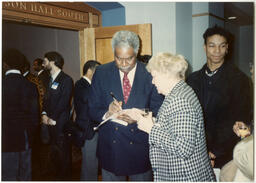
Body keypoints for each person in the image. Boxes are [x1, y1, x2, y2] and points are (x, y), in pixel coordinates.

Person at [88, 30, 164, 181]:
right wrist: (107, 113)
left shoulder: (150, 73)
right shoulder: (102, 72)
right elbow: (91, 109)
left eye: (129, 59)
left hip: (141, 149)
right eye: (118, 58)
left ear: (137, 53)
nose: (123, 64)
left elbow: (160, 110)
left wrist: (139, 117)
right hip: (111, 149)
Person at [130, 52, 216, 181]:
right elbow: (174, 125)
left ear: (166, 75)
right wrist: (148, 119)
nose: (152, 82)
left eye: (154, 77)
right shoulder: (180, 92)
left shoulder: (180, 100)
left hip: (185, 177)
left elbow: (183, 148)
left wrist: (151, 129)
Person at [186, 25, 252, 169]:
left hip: (225, 153)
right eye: (212, 46)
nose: (217, 51)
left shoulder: (239, 80)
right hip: (196, 151)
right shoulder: (192, 79)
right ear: (204, 47)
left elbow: (240, 120)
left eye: (222, 46)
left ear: (227, 48)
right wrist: (200, 150)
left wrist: (216, 151)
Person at [2, 49, 39, 180]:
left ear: (5, 64)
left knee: (7, 173)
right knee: (25, 173)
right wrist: (31, 135)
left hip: (5, 137)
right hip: (25, 136)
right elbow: (35, 117)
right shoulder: (30, 86)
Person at [41, 51, 74, 180]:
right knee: (54, 155)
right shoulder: (49, 79)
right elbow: (46, 100)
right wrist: (44, 113)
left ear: (53, 62)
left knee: (63, 156)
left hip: (60, 123)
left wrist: (52, 118)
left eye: (45, 61)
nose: (44, 64)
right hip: (50, 123)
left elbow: (64, 102)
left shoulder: (66, 79)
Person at [74, 60, 101, 180]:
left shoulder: (88, 85)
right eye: (98, 71)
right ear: (90, 70)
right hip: (87, 130)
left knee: (91, 164)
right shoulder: (81, 84)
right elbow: (89, 101)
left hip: (92, 129)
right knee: (90, 164)